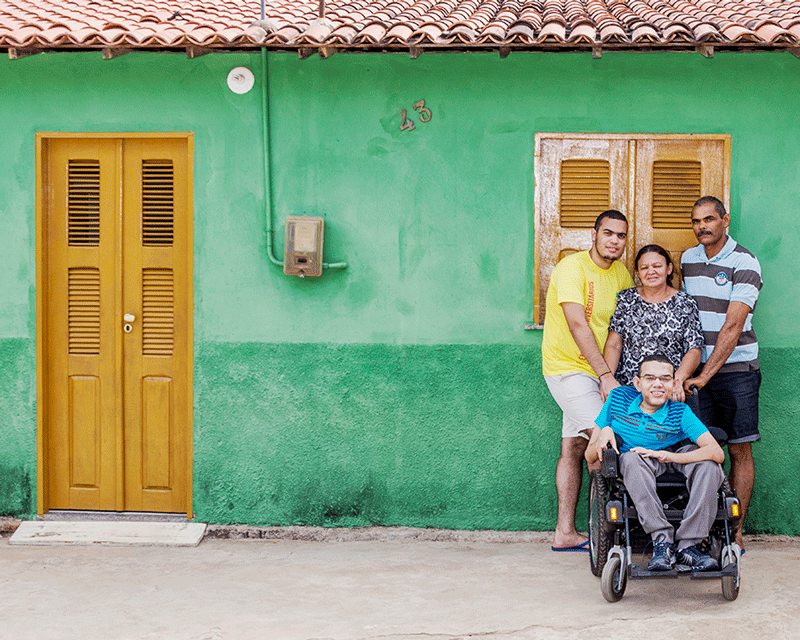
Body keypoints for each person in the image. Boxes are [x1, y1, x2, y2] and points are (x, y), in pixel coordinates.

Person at [542, 210, 634, 552]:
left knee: (575, 448)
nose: (614, 240)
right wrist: (605, 375)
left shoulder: (622, 274)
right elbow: (578, 325)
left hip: (596, 373)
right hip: (569, 370)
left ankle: (565, 532)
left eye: (621, 235)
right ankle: (611, 535)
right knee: (605, 441)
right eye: (608, 233)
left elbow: (621, 328)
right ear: (593, 235)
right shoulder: (572, 268)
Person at [586, 354, 725, 571]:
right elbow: (589, 456)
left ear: (674, 384)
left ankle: (689, 546)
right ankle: (663, 542)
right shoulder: (618, 400)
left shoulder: (680, 412)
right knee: (630, 458)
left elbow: (716, 452)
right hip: (638, 461)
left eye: (665, 379)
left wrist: (671, 456)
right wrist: (605, 431)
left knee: (709, 465)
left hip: (676, 457)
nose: (658, 384)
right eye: (650, 378)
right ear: (637, 383)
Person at [682, 196, 763, 550]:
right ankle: (701, 530)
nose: (702, 226)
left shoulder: (745, 261)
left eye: (709, 219)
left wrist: (705, 376)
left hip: (737, 370)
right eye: (696, 221)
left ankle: (734, 531)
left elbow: (732, 326)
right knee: (701, 448)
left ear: (725, 220)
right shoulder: (687, 259)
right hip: (698, 372)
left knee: (739, 449)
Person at [604, 244, 704, 402]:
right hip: (629, 390)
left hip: (668, 392)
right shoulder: (626, 299)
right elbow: (614, 344)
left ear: (669, 268)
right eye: (644, 268)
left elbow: (694, 349)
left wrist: (676, 381)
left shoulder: (685, 302)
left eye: (657, 266)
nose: (651, 271)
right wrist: (607, 379)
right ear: (638, 273)